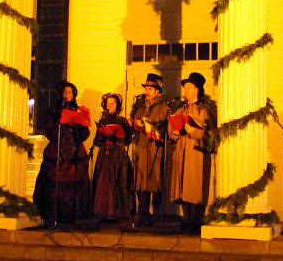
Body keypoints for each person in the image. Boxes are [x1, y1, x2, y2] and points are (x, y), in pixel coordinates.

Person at [33, 81, 91, 225]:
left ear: (74, 95)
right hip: (57, 149)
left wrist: (76, 126)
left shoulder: (79, 110)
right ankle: (53, 214)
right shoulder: (54, 111)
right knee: (54, 179)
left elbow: (85, 133)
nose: (67, 95)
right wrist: (59, 125)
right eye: (65, 92)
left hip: (74, 151)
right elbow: (47, 130)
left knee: (75, 180)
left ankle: (73, 216)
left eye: (70, 93)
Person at [169, 72, 216, 233]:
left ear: (197, 89)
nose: (186, 90)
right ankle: (187, 219)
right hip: (182, 150)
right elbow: (173, 127)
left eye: (189, 87)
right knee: (182, 186)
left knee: (195, 186)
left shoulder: (204, 110)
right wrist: (174, 133)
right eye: (185, 87)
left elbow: (211, 136)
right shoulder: (181, 109)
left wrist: (192, 130)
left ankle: (197, 220)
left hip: (197, 153)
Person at [129, 73, 169, 226]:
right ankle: (142, 214)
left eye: (151, 89)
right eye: (146, 88)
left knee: (155, 181)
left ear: (158, 91)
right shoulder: (140, 107)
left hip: (155, 149)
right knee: (140, 182)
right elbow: (136, 124)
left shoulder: (164, 107)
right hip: (141, 147)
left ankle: (157, 215)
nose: (147, 92)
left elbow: (165, 128)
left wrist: (152, 126)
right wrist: (135, 124)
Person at [91, 93, 134, 222]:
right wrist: (101, 133)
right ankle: (102, 212)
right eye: (108, 103)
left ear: (118, 105)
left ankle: (117, 213)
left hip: (118, 155)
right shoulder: (103, 121)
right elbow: (97, 142)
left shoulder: (123, 121)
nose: (110, 106)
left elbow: (128, 141)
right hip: (105, 154)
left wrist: (118, 136)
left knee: (118, 181)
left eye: (113, 103)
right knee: (103, 182)